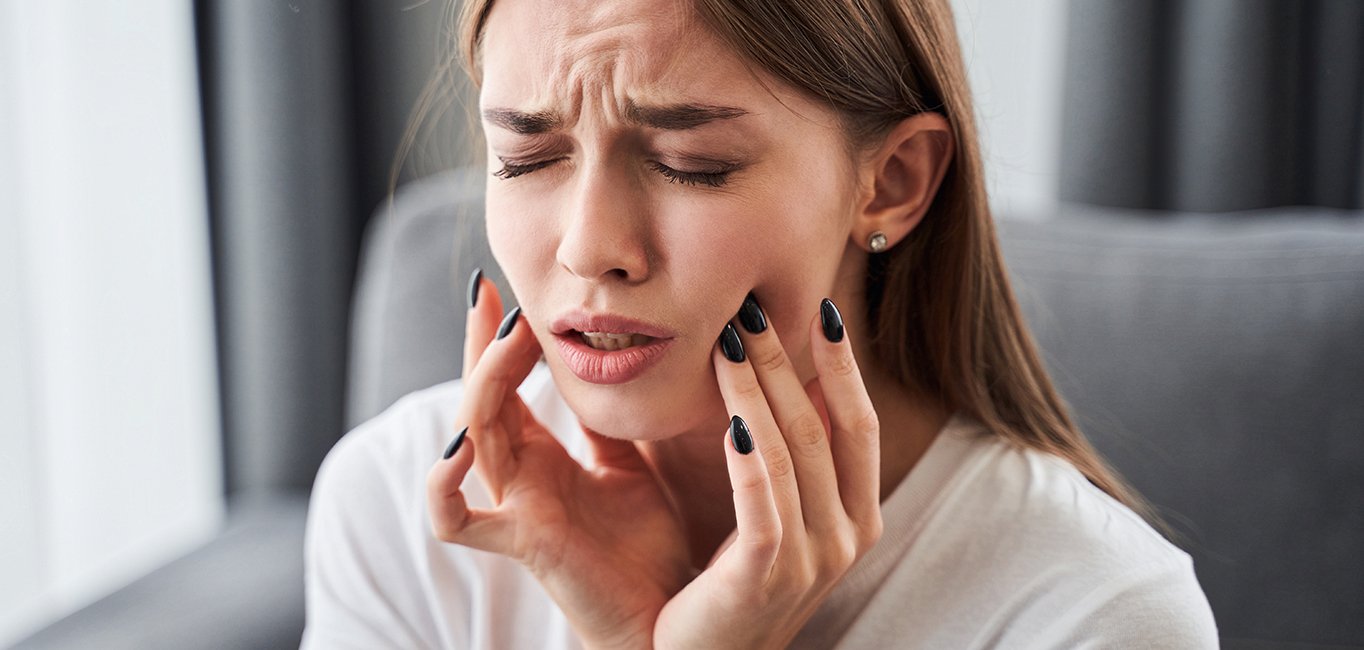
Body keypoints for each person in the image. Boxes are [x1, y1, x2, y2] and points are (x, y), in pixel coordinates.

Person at [302, 0, 1219, 647]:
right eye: (527, 154)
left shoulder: (1097, 617)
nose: (590, 248)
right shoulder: (400, 506)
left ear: (894, 182)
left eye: (690, 163)